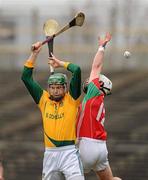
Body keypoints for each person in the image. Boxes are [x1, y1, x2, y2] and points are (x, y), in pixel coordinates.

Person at [21, 42, 84, 180]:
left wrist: (59, 63)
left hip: (69, 153)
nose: (55, 91)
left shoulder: (71, 99)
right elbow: (25, 77)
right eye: (53, 87)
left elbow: (77, 70)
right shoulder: (43, 99)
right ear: (48, 88)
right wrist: (34, 54)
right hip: (50, 154)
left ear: (65, 88)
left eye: (59, 87)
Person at [76, 33, 122, 180]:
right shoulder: (97, 100)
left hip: (86, 146)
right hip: (101, 148)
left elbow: (96, 66)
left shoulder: (93, 93)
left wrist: (102, 46)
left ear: (99, 84)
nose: (90, 80)